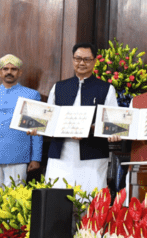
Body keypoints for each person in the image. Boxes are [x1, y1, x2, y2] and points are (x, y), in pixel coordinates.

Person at [45, 43, 117, 192]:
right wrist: (37, 128)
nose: (81, 63)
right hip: (61, 153)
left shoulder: (106, 88)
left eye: (86, 59)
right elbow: (48, 118)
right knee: (57, 197)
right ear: (72, 60)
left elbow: (111, 122)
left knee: (90, 196)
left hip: (93, 154)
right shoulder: (58, 87)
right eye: (78, 59)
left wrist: (90, 129)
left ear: (94, 61)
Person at [0, 54, 42, 186]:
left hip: (17, 155)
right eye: (5, 69)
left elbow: (37, 129)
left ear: (20, 72)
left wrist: (36, 158)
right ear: (0, 72)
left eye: (13, 69)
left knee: (14, 200)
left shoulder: (31, 95)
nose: (9, 72)